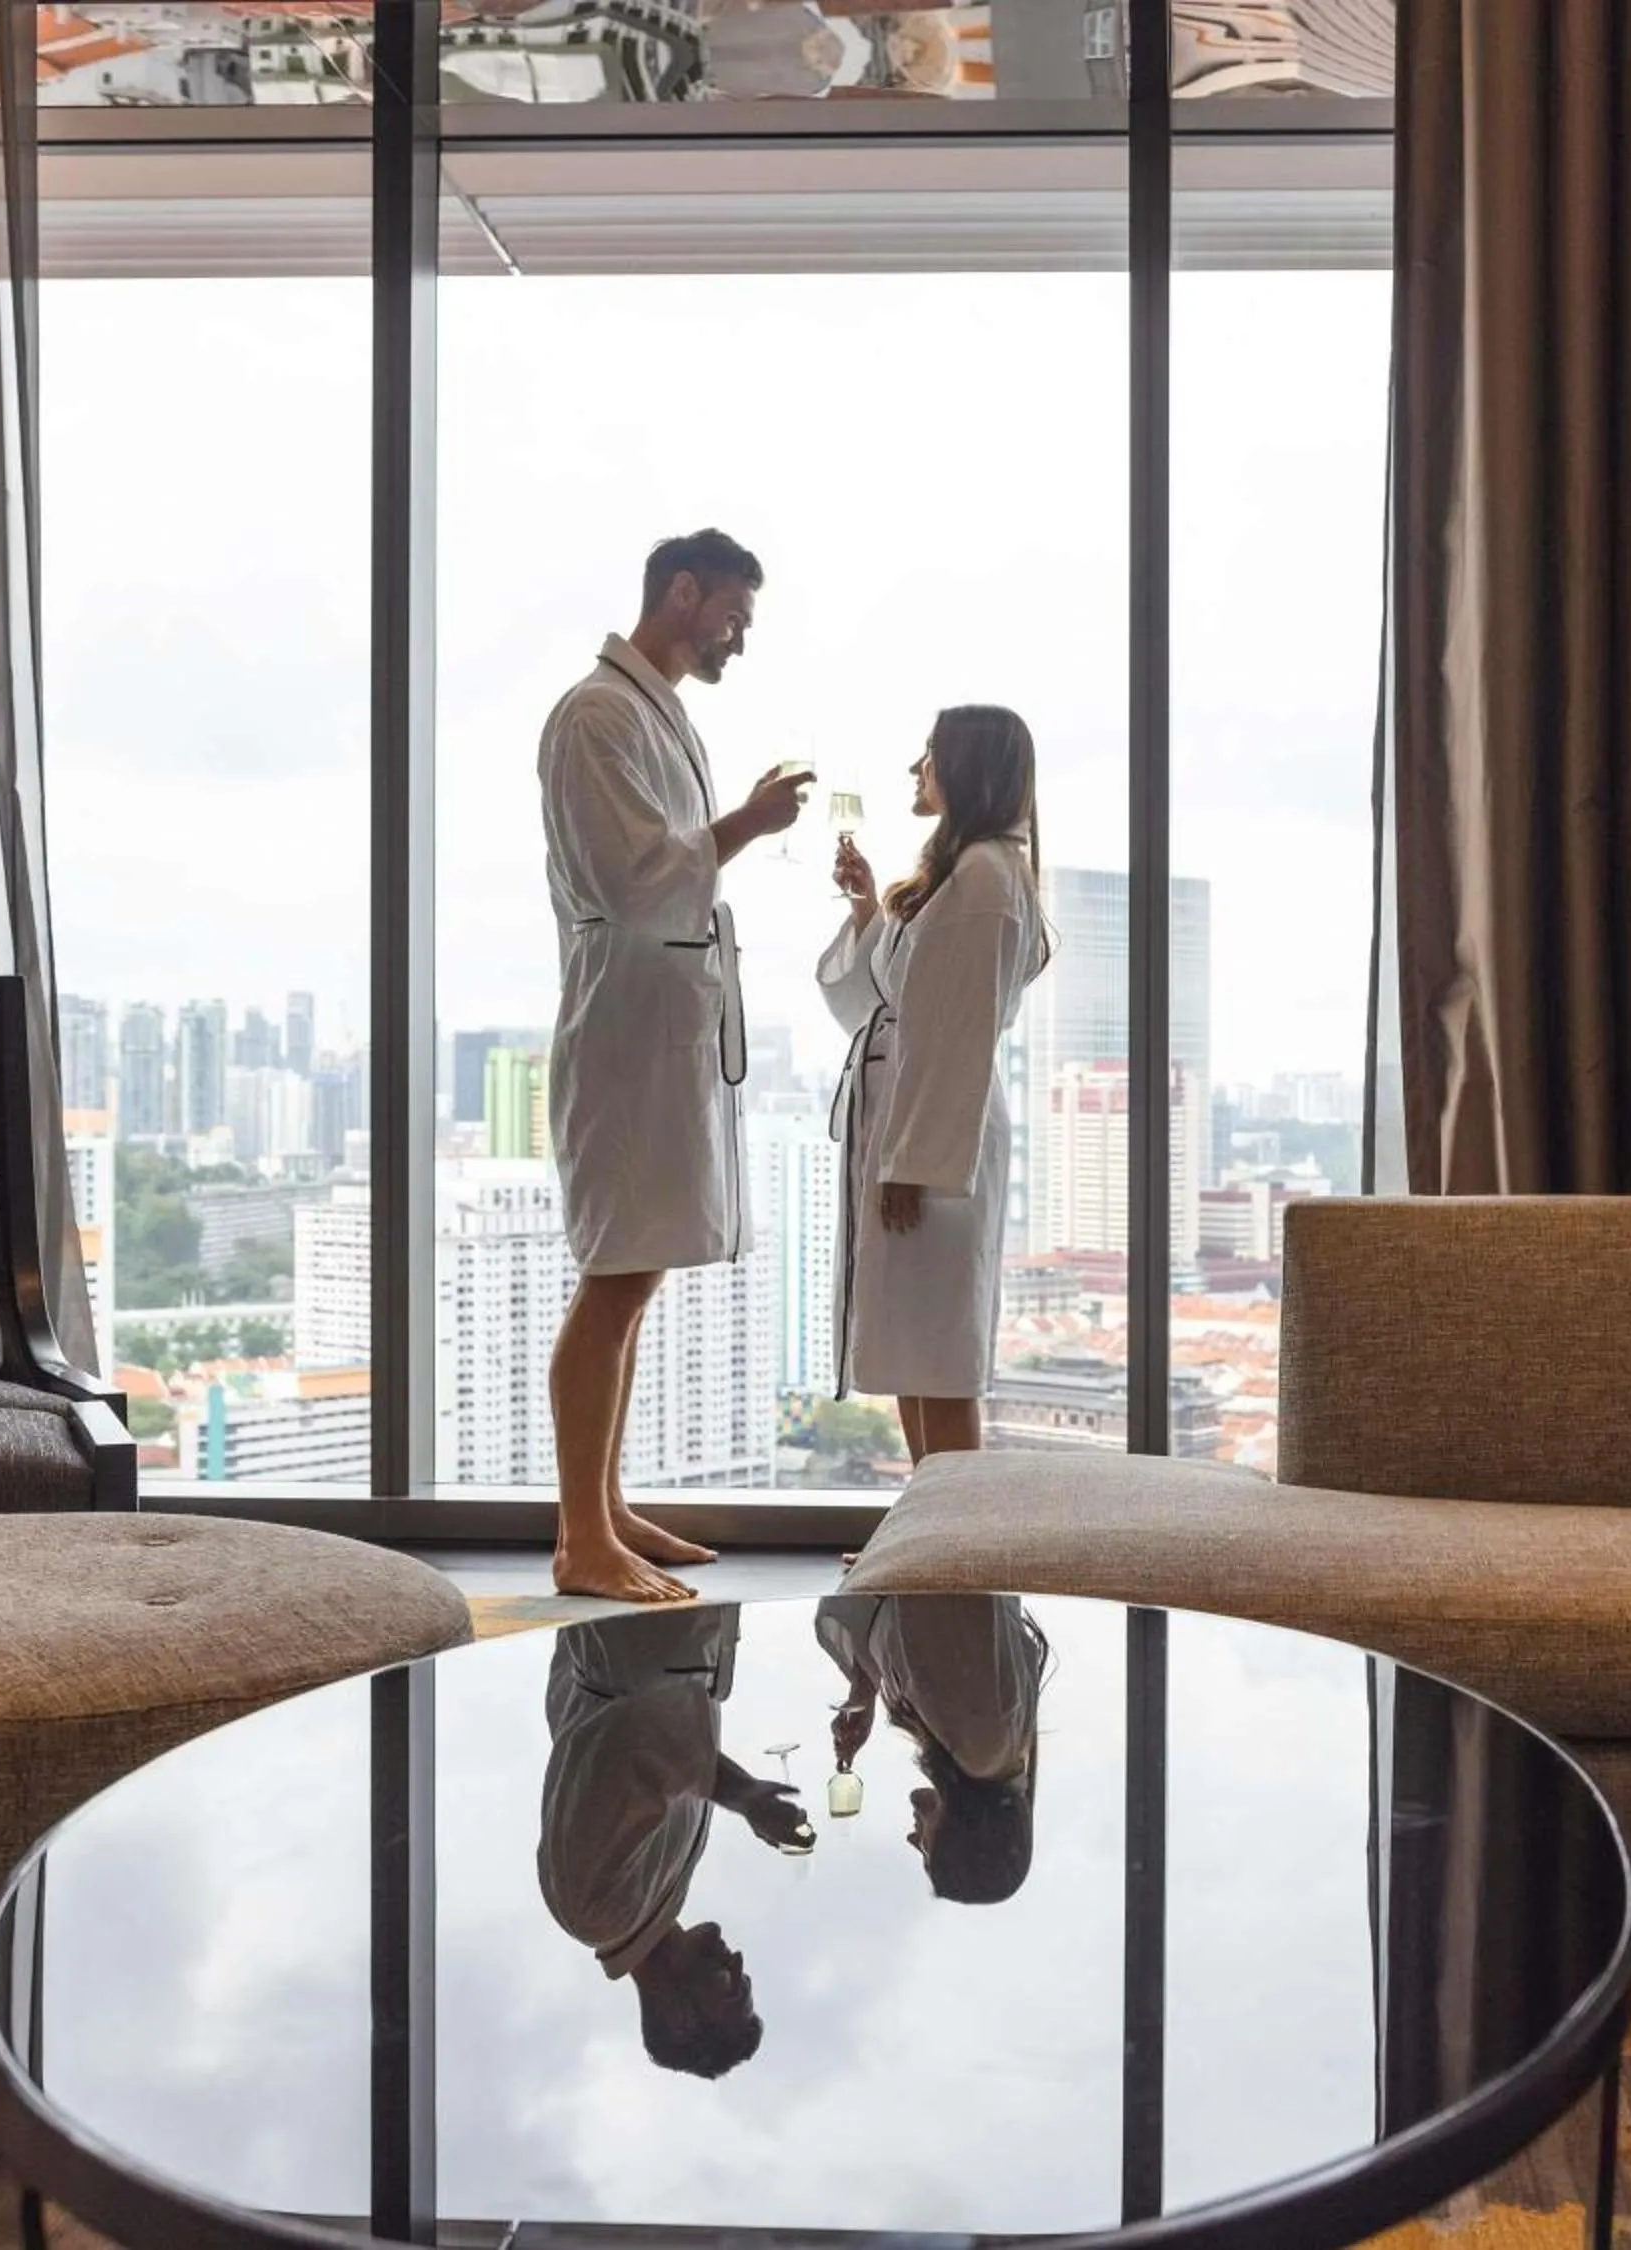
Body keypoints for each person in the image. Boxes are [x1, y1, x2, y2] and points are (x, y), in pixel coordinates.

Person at [542, 530, 811, 1602]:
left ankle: (604, 1508)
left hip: (662, 1021)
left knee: (635, 1275)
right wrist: (743, 822)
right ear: (682, 592)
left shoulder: (653, 712)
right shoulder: (594, 714)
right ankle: (579, 1539)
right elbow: (634, 875)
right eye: (733, 618)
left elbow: (662, 872)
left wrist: (732, 819)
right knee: (613, 1276)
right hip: (624, 1026)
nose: (738, 642)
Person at [817, 706, 1050, 1460]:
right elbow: (906, 994)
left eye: (929, 754)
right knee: (916, 1344)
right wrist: (867, 905)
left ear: (968, 767)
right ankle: (928, 1529)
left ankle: (952, 1542)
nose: (917, 769)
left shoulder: (984, 876)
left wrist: (912, 1164)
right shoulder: (975, 869)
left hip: (935, 1142)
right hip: (923, 1128)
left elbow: (956, 1036)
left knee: (940, 1353)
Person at [536, 1609, 813, 2079]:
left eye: (731, 1987)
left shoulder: (593, 1910)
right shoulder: (661, 1894)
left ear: (681, 2018)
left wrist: (742, 1795)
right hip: (666, 1622)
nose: (737, 1960)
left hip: (634, 1621)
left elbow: (629, 1740)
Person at [815, 1591, 1047, 1906]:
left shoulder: (991, 1750)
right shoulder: (981, 1742)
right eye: (926, 1855)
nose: (914, 1841)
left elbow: (915, 1632)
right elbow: (928, 1583)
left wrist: (866, 1687)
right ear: (966, 1844)